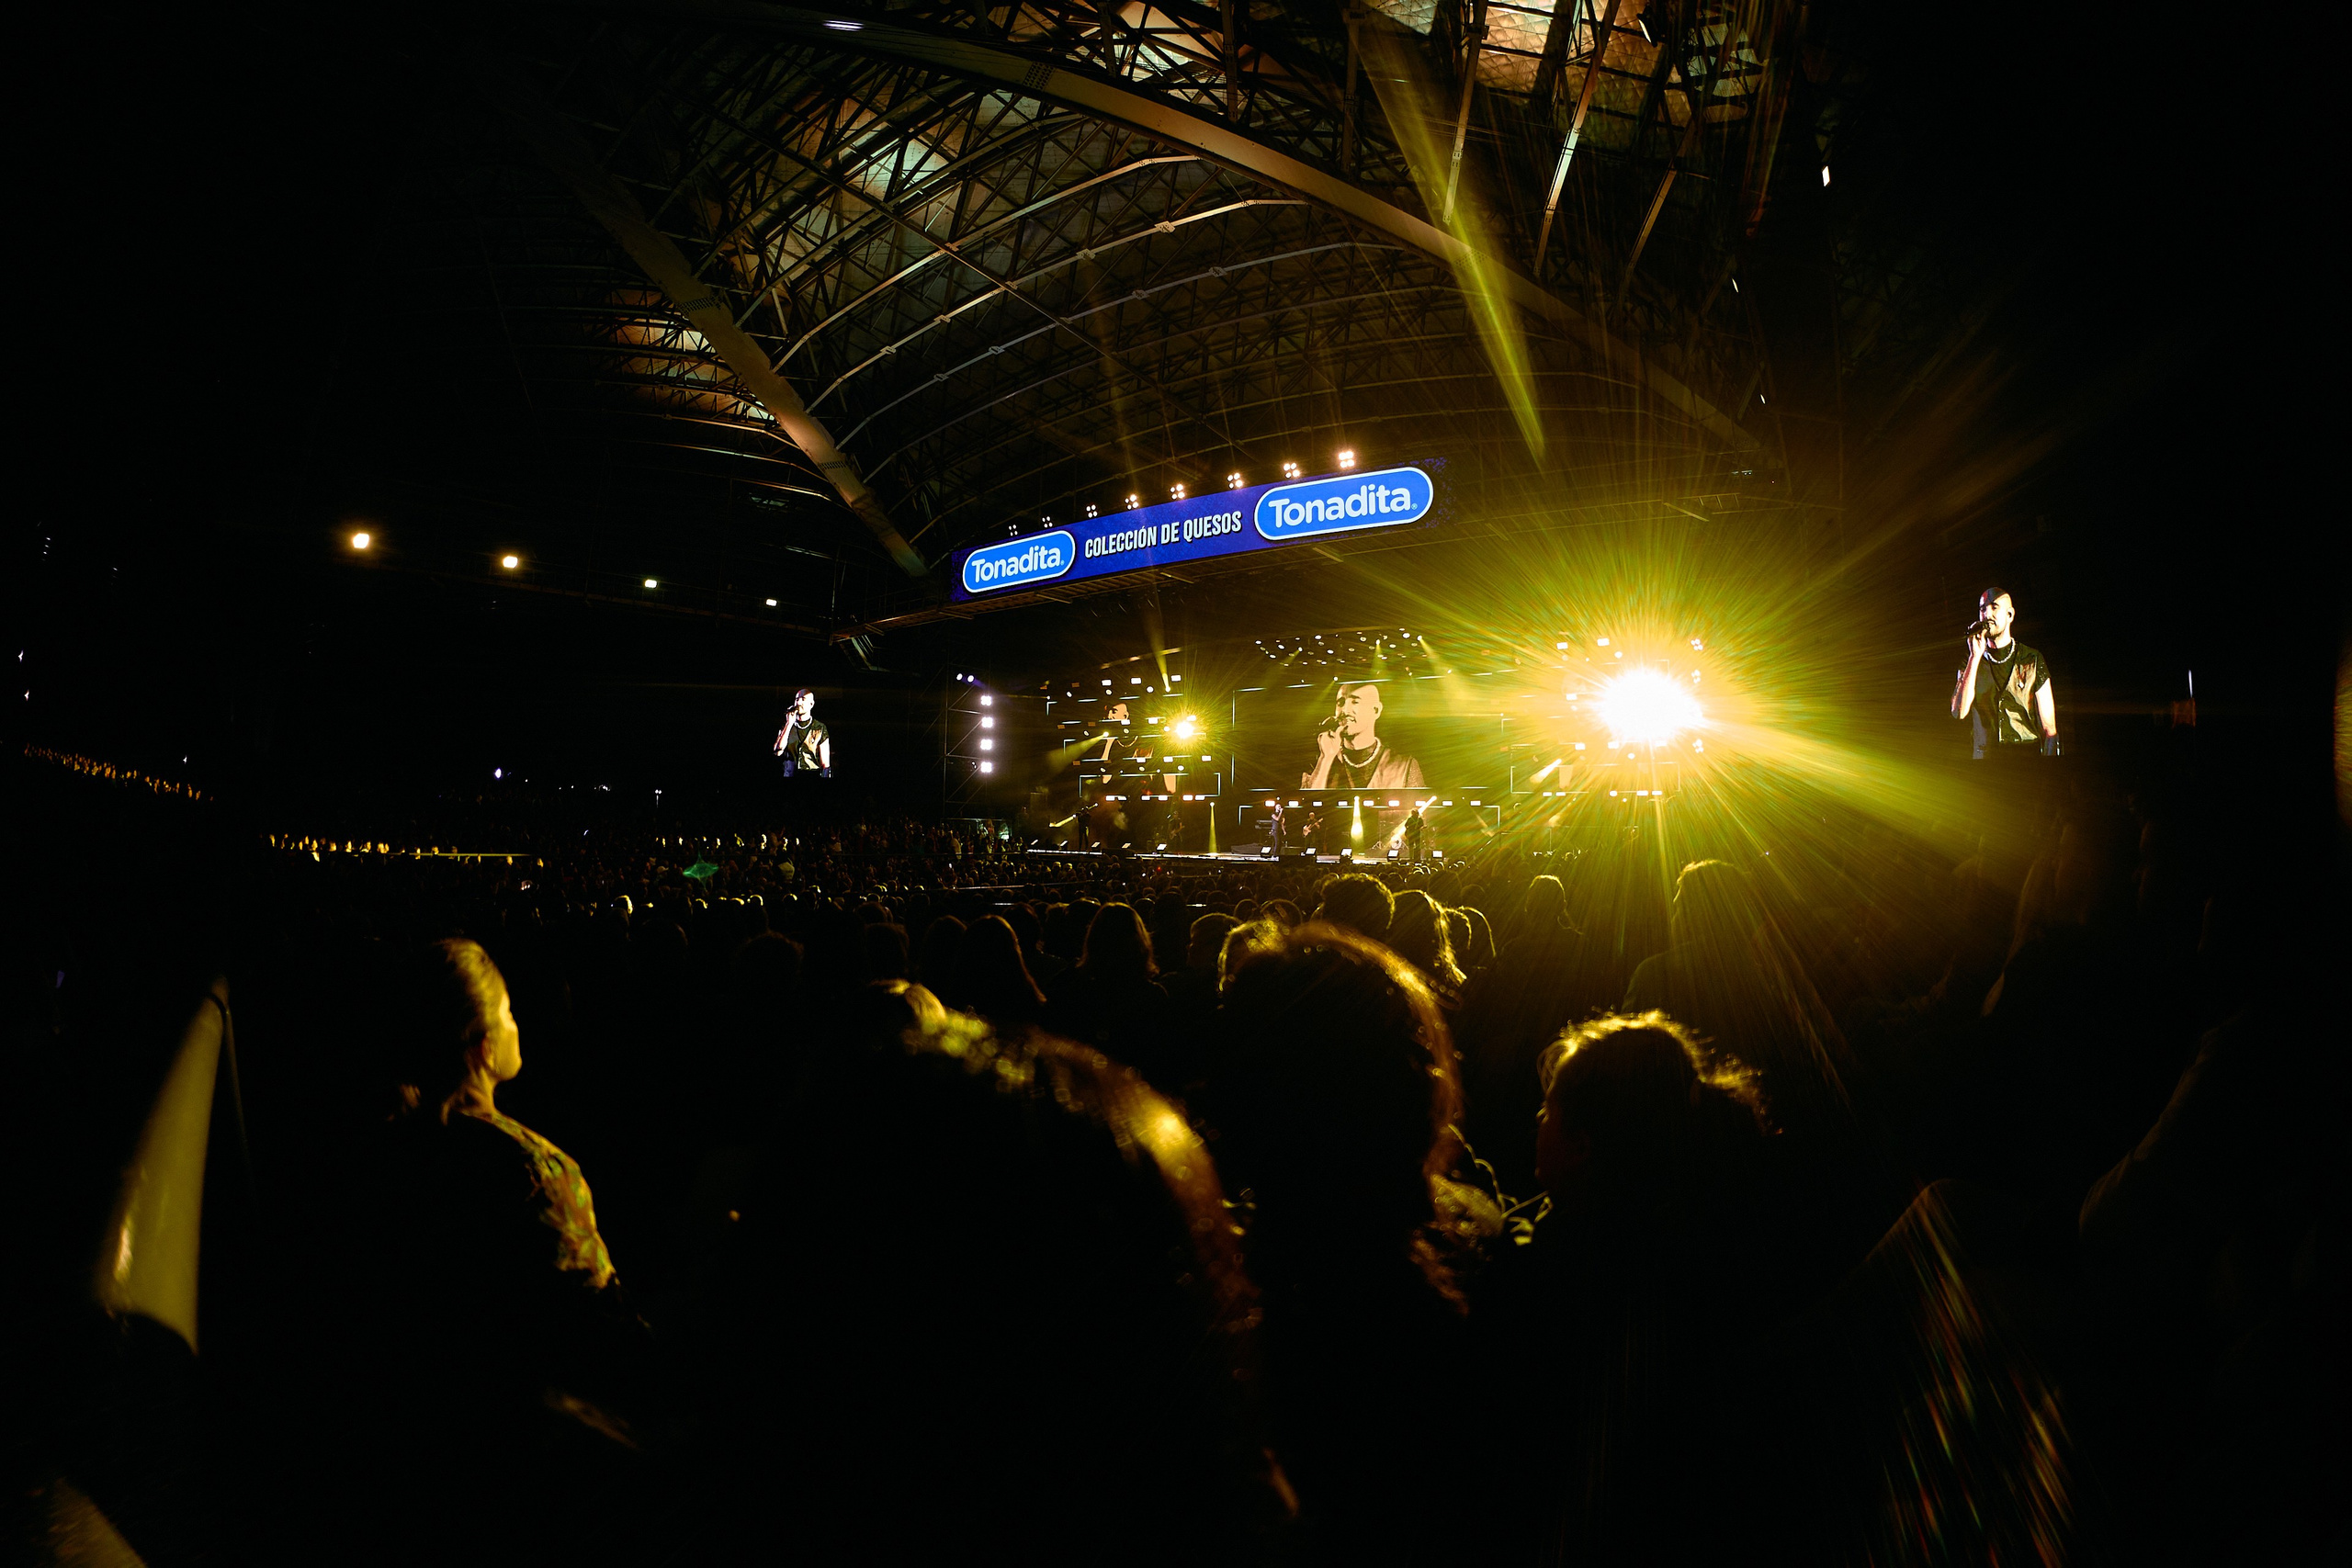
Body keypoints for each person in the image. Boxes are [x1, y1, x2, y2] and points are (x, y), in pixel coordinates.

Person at [1951, 586, 2057, 758]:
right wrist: (1975, 657)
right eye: (1982, 609)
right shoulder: (1971, 660)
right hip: (1985, 762)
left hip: (2025, 759)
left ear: (2010, 615)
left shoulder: (2032, 658)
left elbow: (2050, 728)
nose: (1987, 614)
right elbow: (1959, 712)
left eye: (1994, 607)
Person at [1301, 682, 1425, 793]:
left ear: (1376, 710)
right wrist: (1325, 758)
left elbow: (1420, 810)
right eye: (1341, 703)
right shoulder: (1322, 759)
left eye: (1355, 702)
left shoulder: (1403, 766)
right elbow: (1309, 806)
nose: (1345, 710)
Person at [775, 687, 832, 776]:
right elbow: (778, 752)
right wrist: (789, 724)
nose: (799, 702)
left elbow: (825, 764)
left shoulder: (820, 728)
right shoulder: (787, 726)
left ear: (811, 704)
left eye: (803, 699)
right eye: (797, 699)